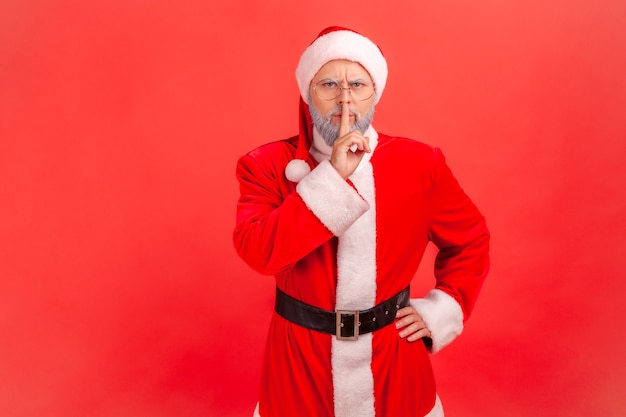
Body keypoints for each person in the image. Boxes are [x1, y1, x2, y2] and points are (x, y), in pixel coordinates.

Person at [233, 26, 489, 417]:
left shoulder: (419, 163)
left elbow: (470, 241)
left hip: (394, 357)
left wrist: (443, 307)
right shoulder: (265, 166)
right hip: (299, 360)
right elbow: (260, 252)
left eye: (357, 84)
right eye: (329, 84)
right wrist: (332, 177)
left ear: (375, 93)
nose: (345, 98)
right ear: (308, 93)